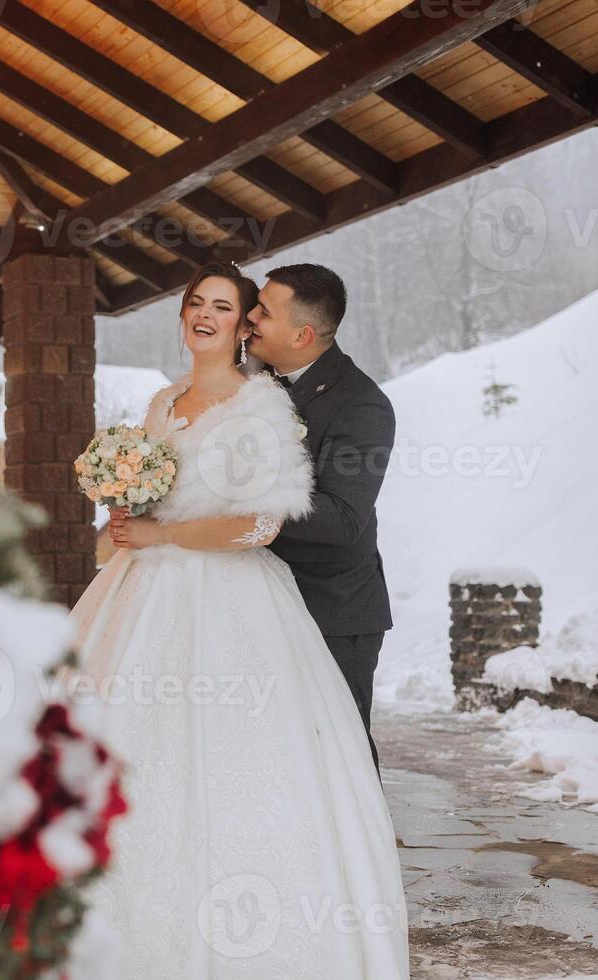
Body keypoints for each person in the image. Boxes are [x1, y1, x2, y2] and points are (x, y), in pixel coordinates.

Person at [70, 262, 408, 978]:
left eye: (244, 310)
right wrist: (134, 506)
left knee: (323, 765)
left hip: (310, 601)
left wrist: (194, 528)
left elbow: (332, 520)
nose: (236, 321)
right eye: (200, 303)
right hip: (159, 588)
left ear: (298, 330)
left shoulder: (334, 404)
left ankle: (333, 898)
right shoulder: (168, 403)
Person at [247, 263, 396, 770]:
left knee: (340, 755)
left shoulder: (363, 406)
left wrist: (235, 501)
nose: (250, 317)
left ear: (302, 334)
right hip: (258, 599)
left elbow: (341, 518)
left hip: (333, 611)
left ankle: (365, 853)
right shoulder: (253, 381)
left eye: (263, 311)